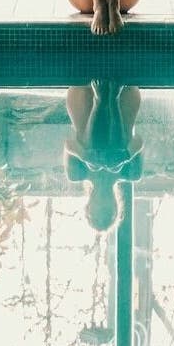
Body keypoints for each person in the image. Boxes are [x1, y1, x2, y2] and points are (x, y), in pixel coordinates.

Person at [66, 80, 144, 232]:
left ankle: (100, 101)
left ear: (89, 206)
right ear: (115, 205)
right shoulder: (131, 174)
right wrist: (125, 156)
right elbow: (139, 141)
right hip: (125, 98)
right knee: (115, 164)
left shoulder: (77, 174)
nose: (102, 204)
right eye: (106, 211)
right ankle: (112, 101)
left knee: (93, 164)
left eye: (98, 210)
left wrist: (85, 156)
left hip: (83, 98)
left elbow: (68, 144)